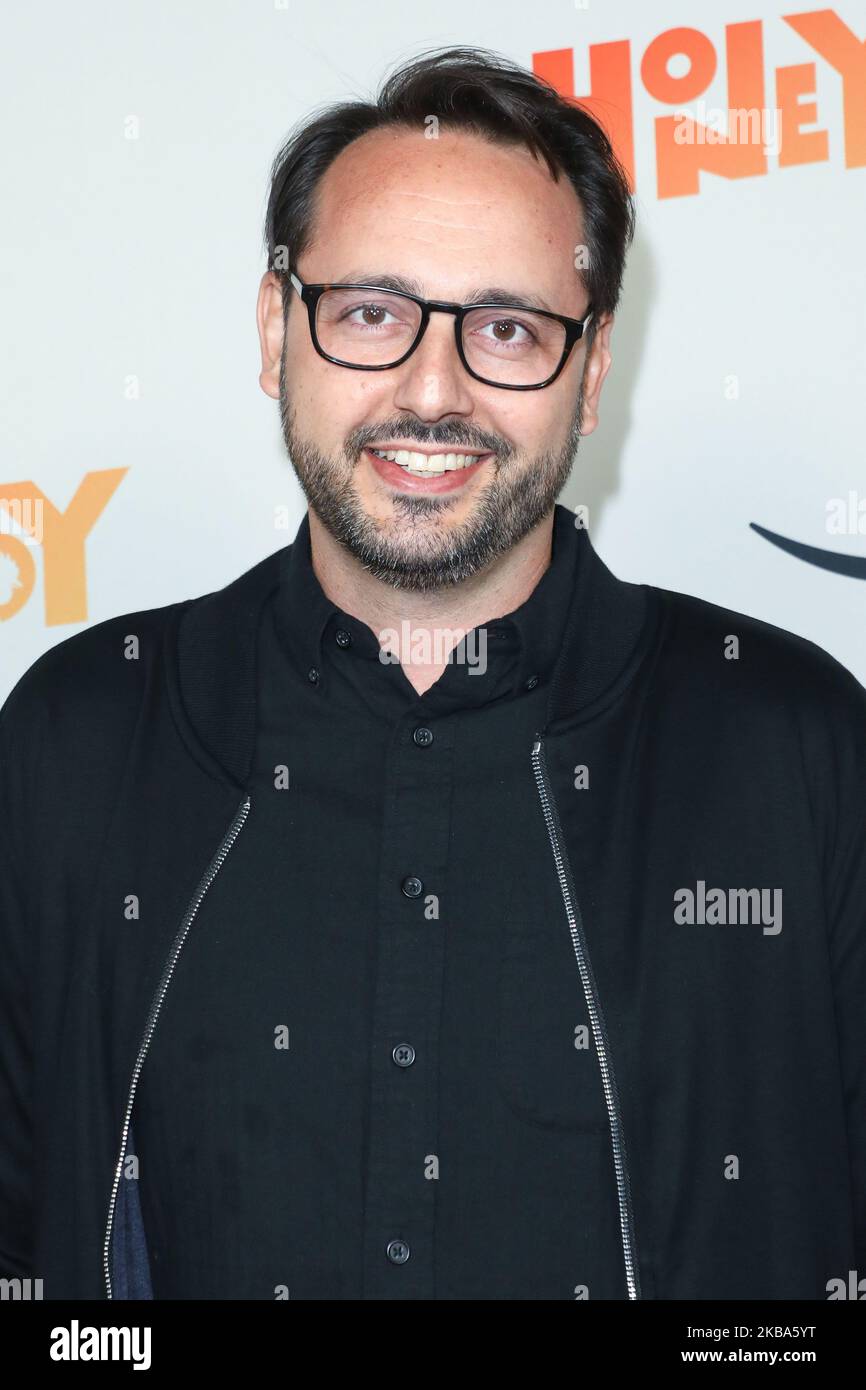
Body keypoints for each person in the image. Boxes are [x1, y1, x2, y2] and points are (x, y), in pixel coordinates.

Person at [1, 45, 864, 1302]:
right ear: (272, 332)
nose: (430, 388)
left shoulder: (800, 747)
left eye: (507, 328)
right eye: (369, 312)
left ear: (589, 373)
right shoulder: (76, 737)